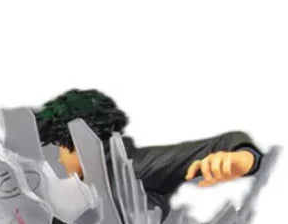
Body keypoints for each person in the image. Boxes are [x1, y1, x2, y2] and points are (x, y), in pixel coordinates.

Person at [34, 88, 263, 217]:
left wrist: (242, 158)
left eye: (60, 147)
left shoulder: (134, 167)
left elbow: (219, 144)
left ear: (77, 141)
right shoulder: (83, 187)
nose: (59, 158)